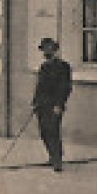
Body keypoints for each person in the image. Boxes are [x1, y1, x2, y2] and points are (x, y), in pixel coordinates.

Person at [32, 36, 73, 172]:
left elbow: (65, 88)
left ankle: (57, 159)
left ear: (54, 50)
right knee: (44, 132)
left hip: (54, 105)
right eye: (43, 50)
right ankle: (52, 155)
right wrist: (35, 103)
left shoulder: (64, 67)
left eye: (47, 49)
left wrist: (59, 105)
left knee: (53, 131)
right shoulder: (44, 67)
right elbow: (39, 87)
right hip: (42, 105)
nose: (45, 52)